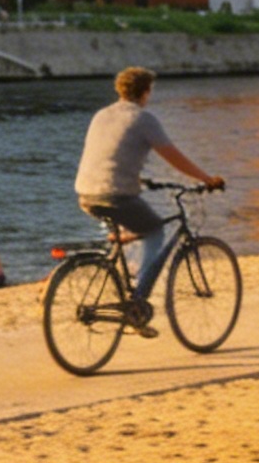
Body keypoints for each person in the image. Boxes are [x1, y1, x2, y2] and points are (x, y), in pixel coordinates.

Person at [75, 67, 223, 338]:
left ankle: (128, 248)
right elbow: (173, 156)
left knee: (139, 224)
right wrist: (206, 178)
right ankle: (138, 304)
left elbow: (110, 156)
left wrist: (142, 180)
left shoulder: (101, 115)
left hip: (86, 194)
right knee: (156, 230)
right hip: (116, 195)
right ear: (145, 92)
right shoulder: (143, 119)